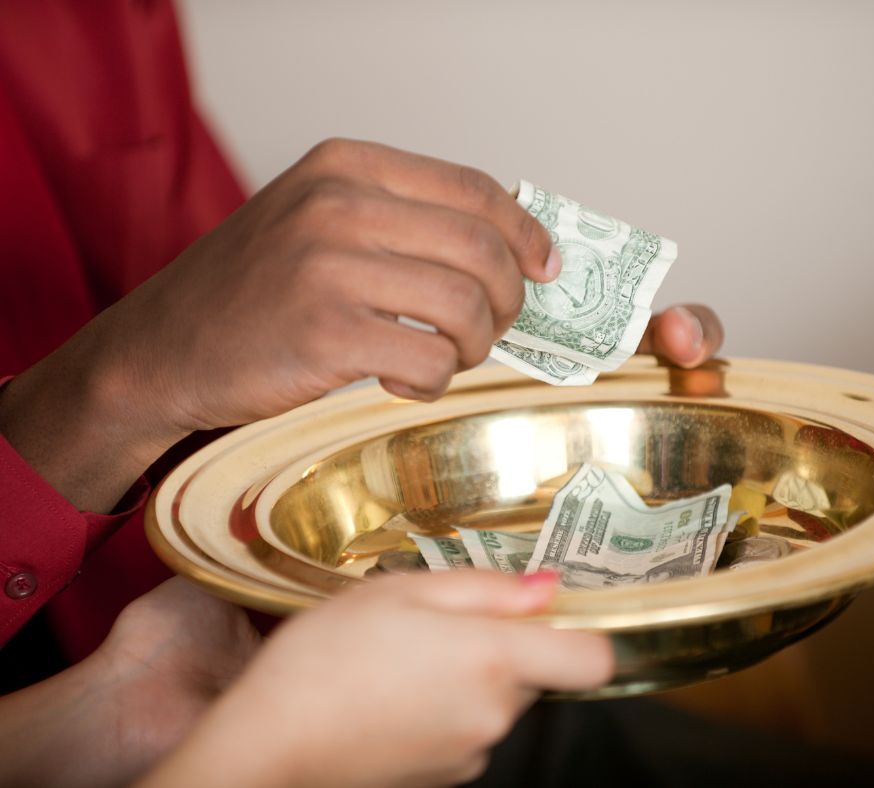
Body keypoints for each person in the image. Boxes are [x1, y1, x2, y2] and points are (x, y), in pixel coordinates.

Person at [0, 2, 724, 785]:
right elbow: (152, 364)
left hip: (221, 662)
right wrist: (259, 758)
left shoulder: (91, 20)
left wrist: (475, 365)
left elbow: (241, 373)